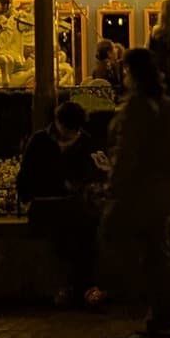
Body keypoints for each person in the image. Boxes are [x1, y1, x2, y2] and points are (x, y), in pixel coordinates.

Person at [100, 47, 170, 338]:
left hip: (143, 188)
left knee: (134, 245)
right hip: (164, 187)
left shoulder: (138, 108)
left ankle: (150, 312)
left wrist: (113, 184)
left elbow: (128, 152)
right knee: (157, 248)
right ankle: (160, 315)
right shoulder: (164, 103)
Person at [17, 99, 105, 306]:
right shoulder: (40, 141)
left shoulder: (86, 143)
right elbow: (26, 174)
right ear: (58, 124)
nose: (70, 135)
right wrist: (27, 199)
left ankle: (74, 288)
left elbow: (92, 176)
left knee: (81, 227)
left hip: (73, 205)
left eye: (74, 131)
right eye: (67, 129)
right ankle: (84, 287)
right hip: (46, 203)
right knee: (73, 227)